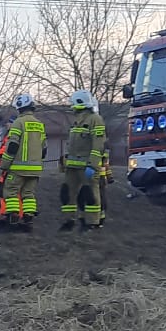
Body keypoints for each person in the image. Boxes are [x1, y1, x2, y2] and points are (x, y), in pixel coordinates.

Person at [61, 90, 106, 231]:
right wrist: (64, 159)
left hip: (87, 166)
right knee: (67, 193)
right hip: (72, 167)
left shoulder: (95, 119)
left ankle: (92, 223)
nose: (72, 106)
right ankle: (69, 221)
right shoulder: (77, 120)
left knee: (90, 195)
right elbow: (72, 144)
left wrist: (92, 165)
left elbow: (98, 144)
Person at [0, 92, 45, 230]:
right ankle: (28, 219)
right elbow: (44, 148)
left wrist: (5, 165)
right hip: (35, 168)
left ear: (19, 108)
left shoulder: (18, 123)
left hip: (18, 167)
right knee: (28, 194)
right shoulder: (39, 124)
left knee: (11, 191)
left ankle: (13, 218)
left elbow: (12, 146)